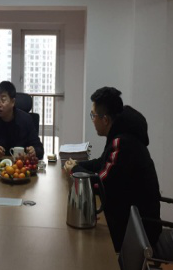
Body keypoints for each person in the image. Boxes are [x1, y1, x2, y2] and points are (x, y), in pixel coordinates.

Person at [64, 86, 161, 252]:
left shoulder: (123, 143)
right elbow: (103, 163)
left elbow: (101, 184)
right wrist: (77, 165)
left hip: (137, 230)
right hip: (129, 216)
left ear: (105, 119)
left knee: (80, 240)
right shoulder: (121, 134)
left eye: (93, 115)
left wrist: (76, 171)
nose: (92, 120)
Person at [0, 81, 44, 161]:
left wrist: (34, 151)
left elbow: (40, 149)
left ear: (13, 102)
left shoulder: (26, 120)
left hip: (19, 166)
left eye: (3, 100)